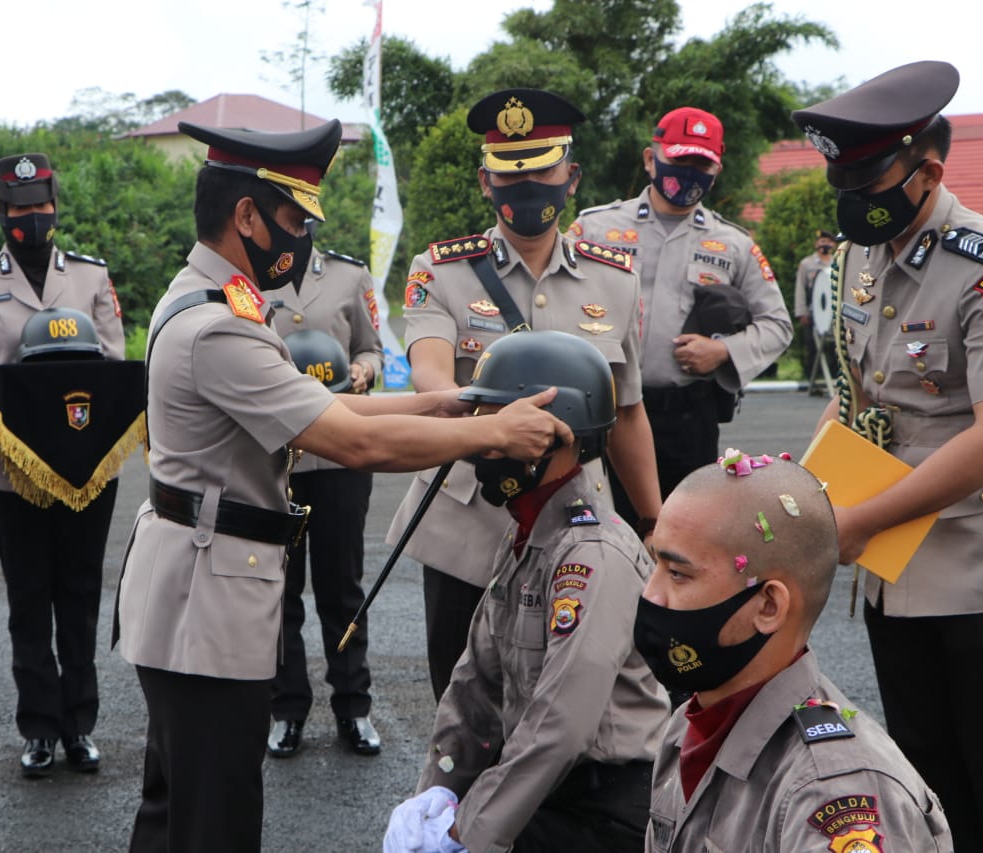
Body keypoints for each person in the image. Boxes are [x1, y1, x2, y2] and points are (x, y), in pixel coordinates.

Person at [113, 118, 572, 853]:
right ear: (246, 216)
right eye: (294, 219)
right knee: (213, 823)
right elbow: (347, 439)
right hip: (204, 604)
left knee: (176, 815)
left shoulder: (214, 298)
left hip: (194, 593)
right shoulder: (218, 327)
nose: (300, 239)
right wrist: (493, 433)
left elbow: (326, 403)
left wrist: (441, 402)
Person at [388, 87, 662, 703]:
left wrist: (652, 521)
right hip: (469, 522)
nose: (527, 187)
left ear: (572, 176)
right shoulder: (440, 270)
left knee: (569, 701)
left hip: (578, 519)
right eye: (510, 175)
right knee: (463, 705)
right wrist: (484, 412)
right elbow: (430, 376)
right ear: (486, 184)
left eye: (542, 170)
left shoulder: (614, 278)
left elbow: (628, 410)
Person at [792, 60, 983, 853]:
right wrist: (796, 495)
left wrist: (856, 520)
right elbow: (855, 404)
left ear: (929, 172)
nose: (855, 204)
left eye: (872, 187)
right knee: (926, 777)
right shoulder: (860, 261)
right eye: (844, 184)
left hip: (977, 576)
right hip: (893, 573)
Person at [384, 331, 670, 853]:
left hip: (601, 810)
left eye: (498, 424)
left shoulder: (591, 554)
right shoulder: (525, 533)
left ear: (552, 436)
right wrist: (437, 793)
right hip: (539, 790)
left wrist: (465, 831)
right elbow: (476, 686)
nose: (480, 443)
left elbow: (560, 725)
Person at [635, 455, 952, 851]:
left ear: (768, 606)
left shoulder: (829, 791)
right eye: (654, 564)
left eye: (678, 574)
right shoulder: (689, 724)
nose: (650, 594)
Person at [0, 153, 126, 777]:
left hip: (87, 468)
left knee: (79, 596)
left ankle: (79, 726)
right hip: (11, 473)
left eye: (40, 205)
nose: (31, 217)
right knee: (29, 598)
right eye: (19, 208)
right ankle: (39, 729)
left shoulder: (90, 277)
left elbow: (113, 368)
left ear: (55, 206)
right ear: (2, 212)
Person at [571, 107, 792, 526]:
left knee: (682, 536)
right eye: (680, 160)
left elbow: (777, 325)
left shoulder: (733, 244)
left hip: (687, 420)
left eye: (701, 164)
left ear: (717, 168)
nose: (690, 173)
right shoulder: (595, 229)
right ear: (651, 159)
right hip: (605, 412)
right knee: (600, 532)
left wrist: (723, 350)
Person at [265, 242, 385, 758]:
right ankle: (286, 710)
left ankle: (353, 708)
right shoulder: (246, 275)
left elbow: (371, 347)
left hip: (340, 454)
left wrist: (364, 372)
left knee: (342, 588)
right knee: (278, 591)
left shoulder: (346, 273)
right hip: (275, 458)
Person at [794, 229, 839, 380]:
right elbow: (800, 288)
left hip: (834, 312)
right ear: (816, 244)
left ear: (833, 244)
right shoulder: (807, 264)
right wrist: (802, 312)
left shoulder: (837, 263)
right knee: (813, 347)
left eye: (827, 242)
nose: (823, 245)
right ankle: (811, 379)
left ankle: (834, 378)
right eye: (821, 242)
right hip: (814, 311)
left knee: (835, 347)